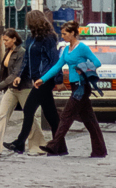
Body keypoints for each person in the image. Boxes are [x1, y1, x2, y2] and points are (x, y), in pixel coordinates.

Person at [34, 20, 108, 158]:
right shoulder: (67, 49)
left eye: (65, 34)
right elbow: (57, 66)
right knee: (90, 121)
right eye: (62, 34)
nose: (63, 36)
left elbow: (97, 62)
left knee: (66, 116)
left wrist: (83, 68)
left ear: (73, 33)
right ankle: (99, 150)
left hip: (81, 87)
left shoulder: (82, 48)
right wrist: (42, 79)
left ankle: (54, 146)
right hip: (75, 86)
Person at [5, 10, 62, 155]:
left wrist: (58, 80)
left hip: (44, 80)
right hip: (35, 79)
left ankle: (19, 143)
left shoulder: (48, 38)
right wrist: (20, 75)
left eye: (29, 20)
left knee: (29, 109)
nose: (27, 23)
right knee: (51, 115)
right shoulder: (31, 39)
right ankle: (60, 147)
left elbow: (55, 61)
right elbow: (26, 60)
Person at [0, 29, 46, 155]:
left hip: (24, 89)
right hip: (11, 89)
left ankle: (38, 146)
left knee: (30, 117)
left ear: (14, 39)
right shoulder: (8, 51)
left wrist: (1, 85)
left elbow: (16, 72)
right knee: (1, 115)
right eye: (3, 40)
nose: (4, 43)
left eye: (6, 40)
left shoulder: (21, 52)